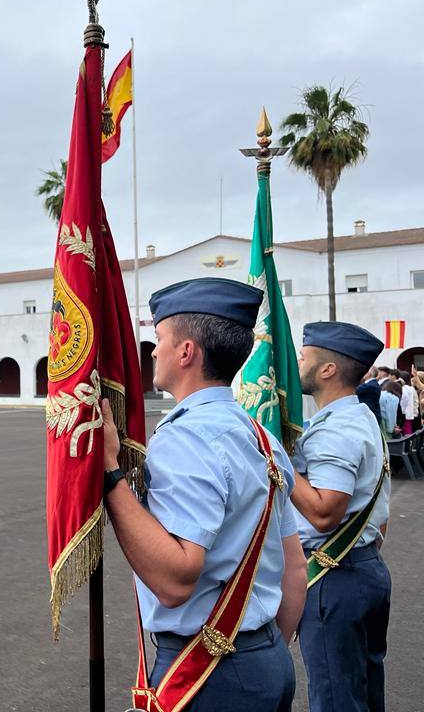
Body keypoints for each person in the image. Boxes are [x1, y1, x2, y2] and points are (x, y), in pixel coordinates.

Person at [103, 277, 304, 711]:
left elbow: (176, 580)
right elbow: (295, 568)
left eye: (159, 338)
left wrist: (110, 473)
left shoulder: (186, 437)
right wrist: (263, 651)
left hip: (209, 672)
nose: (153, 350)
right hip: (265, 659)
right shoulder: (261, 438)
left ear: (187, 352)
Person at [291, 321, 390, 712]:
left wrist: (278, 462)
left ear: (327, 369)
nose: (296, 363)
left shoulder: (336, 430)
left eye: (302, 357)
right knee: (363, 692)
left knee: (336, 697)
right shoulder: (358, 417)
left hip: (335, 576)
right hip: (361, 566)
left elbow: (323, 513)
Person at [399, 369, 418, 434]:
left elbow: (404, 401)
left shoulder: (405, 388)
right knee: (409, 430)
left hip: (406, 413)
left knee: (407, 431)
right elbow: (415, 402)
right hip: (411, 413)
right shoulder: (412, 388)